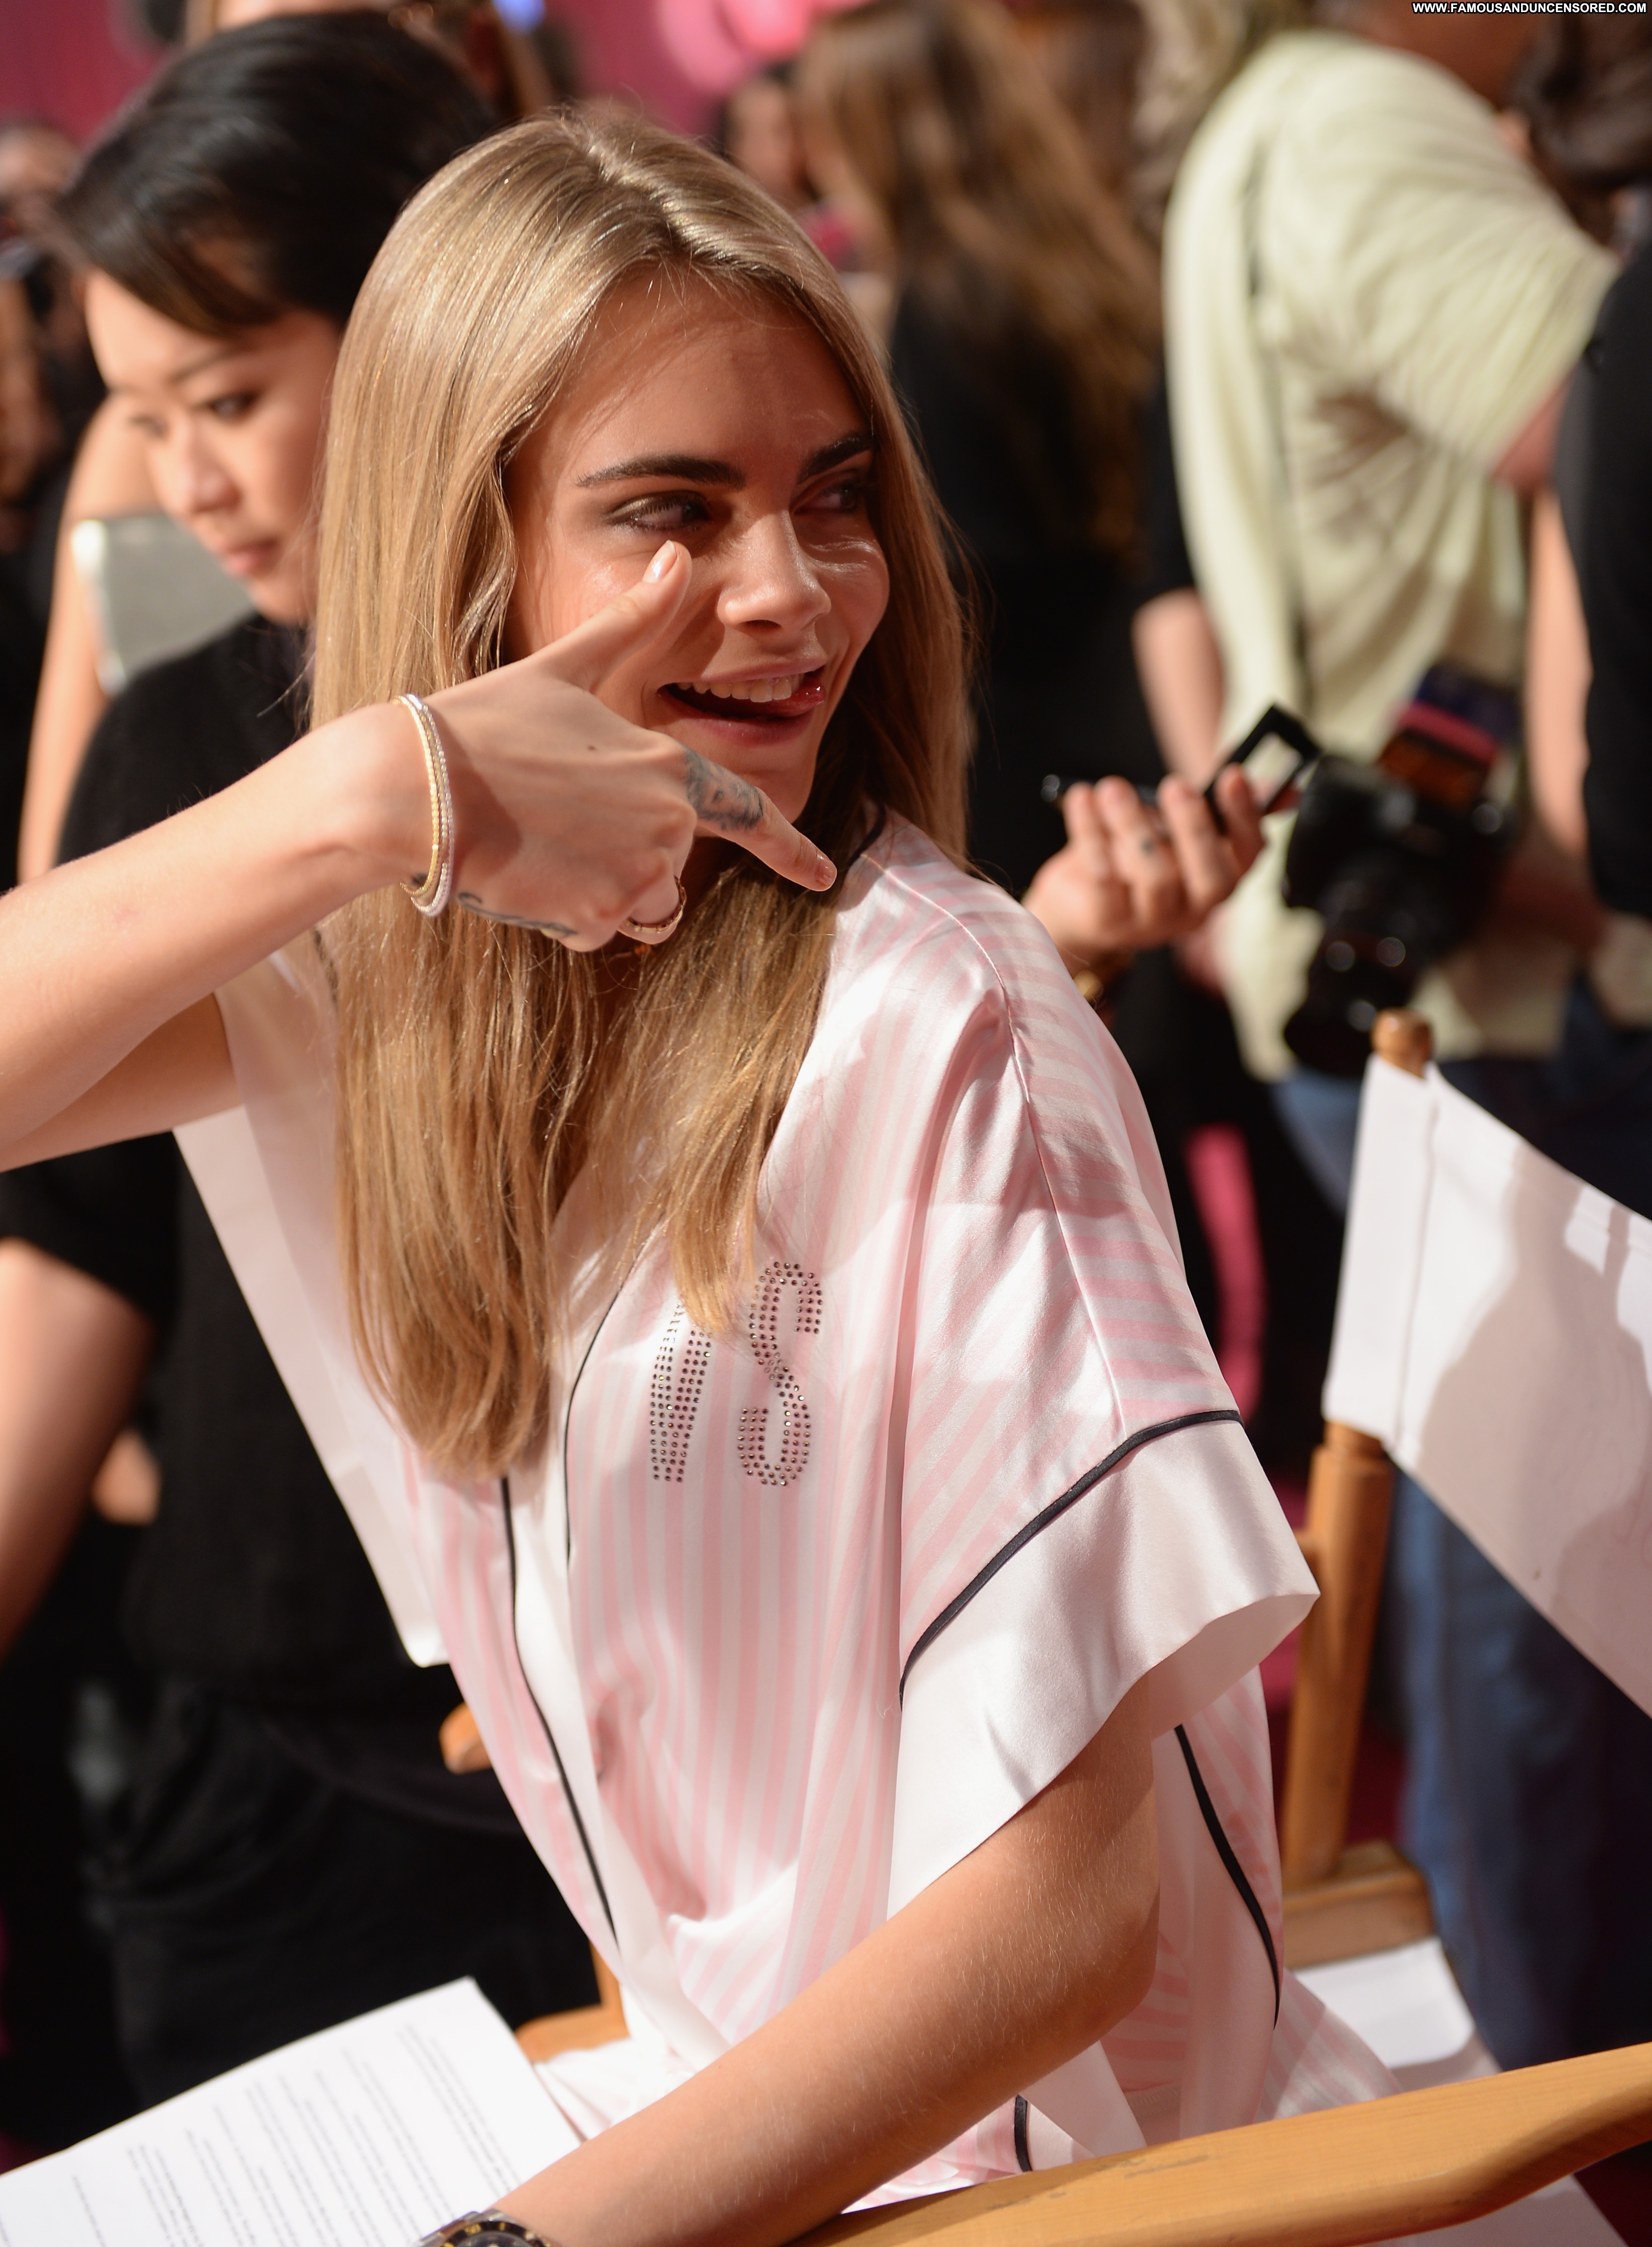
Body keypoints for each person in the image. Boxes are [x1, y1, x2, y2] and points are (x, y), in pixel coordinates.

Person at [0, 110, 1387, 2241]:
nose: (792, 593)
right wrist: (378, 786)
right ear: (472, 552)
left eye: (834, 498)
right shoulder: (435, 976)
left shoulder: (948, 1021)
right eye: (669, 513)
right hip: (750, 2136)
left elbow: (1064, 1922)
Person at [0, 16, 600, 2108]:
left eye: (233, 399)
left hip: (659, 1726)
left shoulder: (642, 717)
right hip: (291, 1767)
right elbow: (68, 1242)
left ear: (425, 319)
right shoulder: (184, 737)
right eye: (144, 415)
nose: (187, 482)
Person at [1164, 0, 1636, 2067]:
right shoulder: (1363, 125)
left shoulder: (1296, 121)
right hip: (1497, 979)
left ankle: (1531, 2077)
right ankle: (1549, 2099)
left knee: (1522, 1566)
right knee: (1547, 1584)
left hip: (1454, 960)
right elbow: (1617, 436)